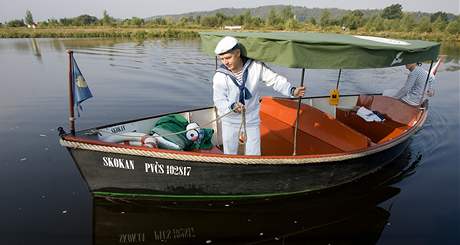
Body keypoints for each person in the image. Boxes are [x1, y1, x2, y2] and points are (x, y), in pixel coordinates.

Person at [212, 36, 305, 155]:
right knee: (230, 153)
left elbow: (274, 80)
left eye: (228, 58)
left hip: (251, 118)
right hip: (229, 119)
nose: (225, 62)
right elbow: (219, 100)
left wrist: (292, 91)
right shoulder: (220, 76)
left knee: (254, 153)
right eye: (222, 59)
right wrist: (232, 107)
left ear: (238, 53)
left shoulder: (255, 66)